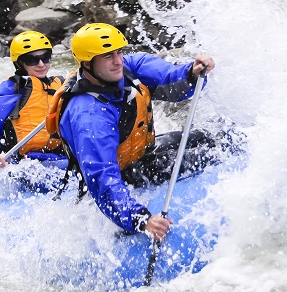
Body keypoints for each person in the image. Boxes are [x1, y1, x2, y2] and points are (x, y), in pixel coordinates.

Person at [48, 23, 216, 242]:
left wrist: (191, 72)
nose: (118, 61)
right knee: (206, 156)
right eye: (108, 56)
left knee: (208, 137)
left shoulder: (126, 67)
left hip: (144, 154)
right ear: (88, 63)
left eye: (119, 52)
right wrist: (141, 219)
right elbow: (102, 178)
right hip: (126, 175)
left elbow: (170, 78)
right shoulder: (89, 116)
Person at [0, 30, 68, 190]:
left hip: (61, 158)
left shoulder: (62, 85)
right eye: (32, 60)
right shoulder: (10, 90)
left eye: (45, 57)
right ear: (20, 63)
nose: (41, 64)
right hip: (27, 165)